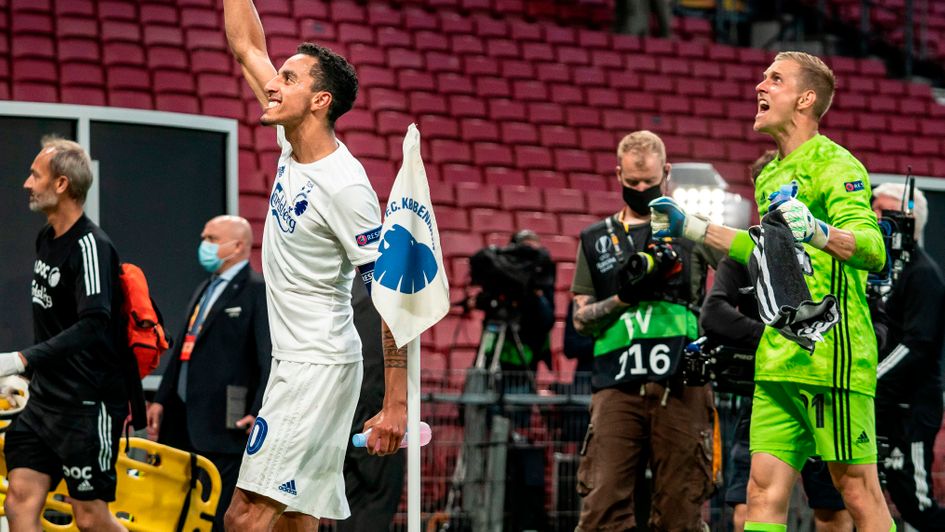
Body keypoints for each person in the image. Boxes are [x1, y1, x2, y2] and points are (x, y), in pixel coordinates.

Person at [649, 51, 892, 531]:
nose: (760, 86)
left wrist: (819, 230)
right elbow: (762, 251)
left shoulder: (838, 165)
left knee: (857, 492)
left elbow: (873, 249)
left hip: (831, 361)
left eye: (774, 79)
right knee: (759, 493)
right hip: (779, 357)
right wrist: (693, 226)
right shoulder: (772, 176)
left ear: (805, 98)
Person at [223, 1, 408, 530]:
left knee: (245, 517)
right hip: (298, 361)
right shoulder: (292, 136)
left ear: (319, 101)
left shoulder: (347, 188)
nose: (272, 84)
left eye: (288, 78)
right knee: (295, 519)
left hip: (318, 367)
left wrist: (395, 403)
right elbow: (246, 46)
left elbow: (391, 297)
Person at [571, 130, 718, 531]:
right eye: (631, 183)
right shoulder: (595, 239)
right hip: (616, 385)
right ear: (617, 174)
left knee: (680, 506)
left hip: (681, 382)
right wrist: (623, 298)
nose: (640, 189)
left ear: (666, 173)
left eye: (648, 182)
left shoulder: (693, 228)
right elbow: (579, 319)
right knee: (602, 505)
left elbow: (740, 278)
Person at [1, 137, 129, 531]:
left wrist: (23, 359)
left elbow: (94, 324)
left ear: (60, 185)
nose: (27, 183)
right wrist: (27, 375)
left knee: (90, 518)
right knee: (19, 502)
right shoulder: (46, 238)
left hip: (86, 406)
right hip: (43, 402)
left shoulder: (92, 246)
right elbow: (53, 321)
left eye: (35, 175)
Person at [146, 215, 271, 531]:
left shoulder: (256, 290)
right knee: (179, 511)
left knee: (216, 514)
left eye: (212, 239)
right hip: (184, 419)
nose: (204, 245)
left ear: (239, 245)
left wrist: (259, 409)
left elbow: (267, 356)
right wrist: (161, 398)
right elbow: (183, 347)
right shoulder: (205, 288)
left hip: (226, 422)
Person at [870, 184, 945, 530]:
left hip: (910, 408)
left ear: (907, 219)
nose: (873, 217)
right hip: (883, 403)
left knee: (916, 502)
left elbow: (917, 346)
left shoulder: (923, 275)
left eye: (882, 212)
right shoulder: (875, 270)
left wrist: (871, 382)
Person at [338, 279, 405, 532]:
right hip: (376, 408)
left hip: (343, 407)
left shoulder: (346, 288)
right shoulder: (387, 290)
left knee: (349, 499)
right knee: (377, 498)